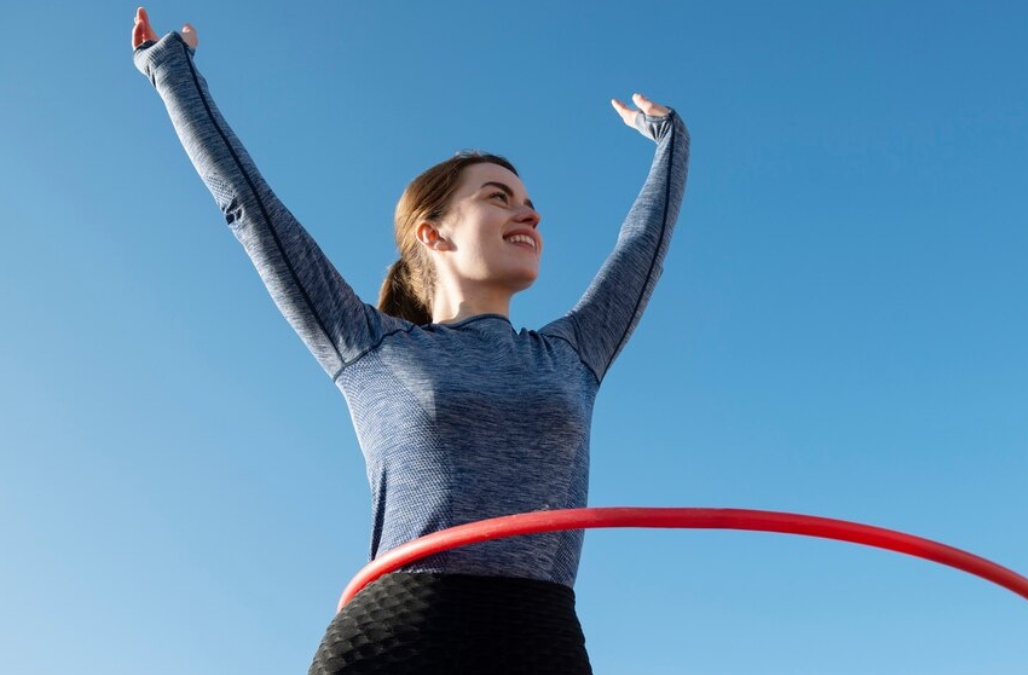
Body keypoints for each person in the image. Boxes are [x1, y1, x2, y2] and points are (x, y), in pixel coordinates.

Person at [131, 6, 689, 674]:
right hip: (398, 633)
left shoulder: (573, 355)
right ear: (434, 233)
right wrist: (172, 73)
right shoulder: (370, 345)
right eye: (498, 196)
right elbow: (250, 209)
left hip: (537, 634)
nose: (530, 210)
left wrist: (670, 138)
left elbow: (643, 249)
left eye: (528, 199)